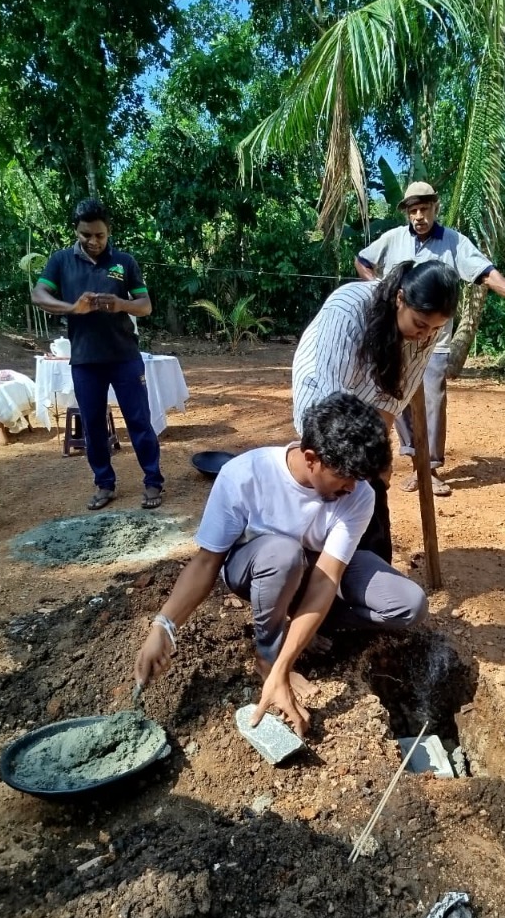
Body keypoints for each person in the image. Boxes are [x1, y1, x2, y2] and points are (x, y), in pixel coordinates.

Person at [134, 392, 428, 735]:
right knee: (284, 554)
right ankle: (267, 656)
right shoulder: (245, 475)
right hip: (259, 568)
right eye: (344, 477)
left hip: (315, 571)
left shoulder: (358, 490)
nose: (351, 487)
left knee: (410, 605)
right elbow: (206, 562)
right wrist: (164, 627)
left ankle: (300, 630)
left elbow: (326, 579)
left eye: (359, 479)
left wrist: (294, 650)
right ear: (311, 458)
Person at [355, 181, 505, 496]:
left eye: (424, 209)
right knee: (394, 397)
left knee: (433, 401)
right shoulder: (393, 239)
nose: (418, 216)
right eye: (413, 210)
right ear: (407, 213)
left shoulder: (454, 243)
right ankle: (416, 461)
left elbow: (486, 272)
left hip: (435, 343)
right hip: (398, 337)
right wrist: (377, 286)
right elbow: (362, 260)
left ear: (435, 208)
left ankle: (430, 469)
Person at [293, 259, 461, 562]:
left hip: (367, 402)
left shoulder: (427, 330)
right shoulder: (347, 310)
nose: (425, 336)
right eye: (421, 325)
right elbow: (332, 404)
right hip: (323, 396)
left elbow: (392, 399)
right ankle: (315, 571)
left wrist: (376, 459)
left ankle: (372, 566)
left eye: (434, 329)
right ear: (400, 299)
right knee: (331, 478)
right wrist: (356, 463)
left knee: (372, 486)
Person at [32, 199, 164, 511]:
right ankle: (104, 483)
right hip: (85, 360)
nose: (93, 241)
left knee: (139, 421)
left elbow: (145, 306)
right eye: (85, 235)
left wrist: (122, 304)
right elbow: (38, 295)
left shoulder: (124, 261)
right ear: (76, 231)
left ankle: (153, 480)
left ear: (109, 232)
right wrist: (71, 308)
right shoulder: (61, 261)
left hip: (124, 356)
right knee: (92, 424)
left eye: (99, 235)